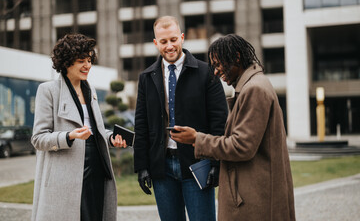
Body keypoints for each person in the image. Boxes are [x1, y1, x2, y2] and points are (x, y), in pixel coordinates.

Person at [171, 34, 296, 220]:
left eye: (218, 64)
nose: (215, 72)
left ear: (237, 57)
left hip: (255, 198)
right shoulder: (252, 85)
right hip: (253, 193)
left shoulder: (255, 89)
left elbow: (242, 146)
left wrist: (197, 139)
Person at [133, 16, 228, 221]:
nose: (170, 46)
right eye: (164, 41)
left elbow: (219, 121)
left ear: (182, 38)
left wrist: (216, 164)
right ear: (156, 43)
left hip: (198, 164)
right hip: (162, 168)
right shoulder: (146, 78)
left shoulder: (206, 73)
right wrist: (141, 166)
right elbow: (141, 124)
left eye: (174, 39)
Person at [31, 33, 127, 221]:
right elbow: (38, 139)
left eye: (90, 60)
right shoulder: (48, 90)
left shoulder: (89, 91)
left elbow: (95, 130)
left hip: (96, 169)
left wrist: (110, 138)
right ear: (66, 62)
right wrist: (69, 136)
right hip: (66, 175)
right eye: (81, 60)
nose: (88, 66)